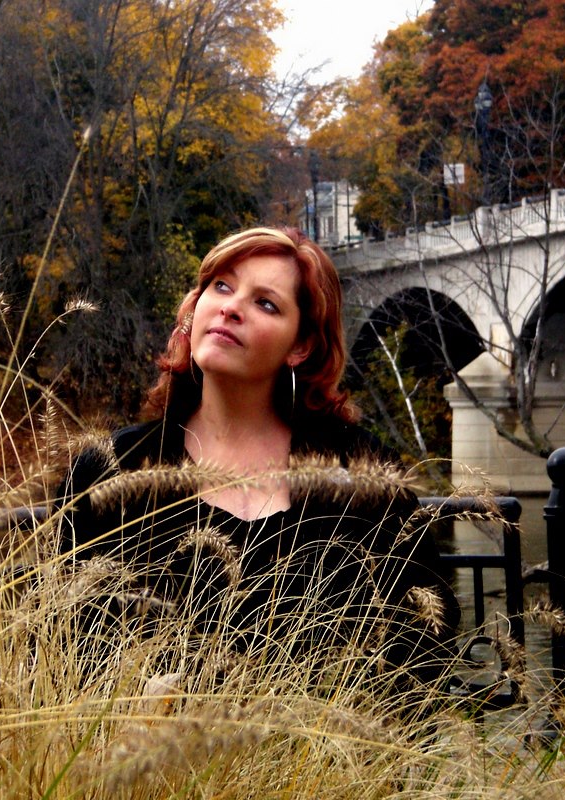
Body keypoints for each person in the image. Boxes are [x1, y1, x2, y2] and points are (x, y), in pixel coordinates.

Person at [57, 226, 459, 692]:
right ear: (194, 309)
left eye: (266, 303)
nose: (230, 307)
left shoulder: (362, 477)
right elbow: (63, 648)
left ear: (300, 346)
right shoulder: (111, 470)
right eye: (221, 286)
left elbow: (425, 649)